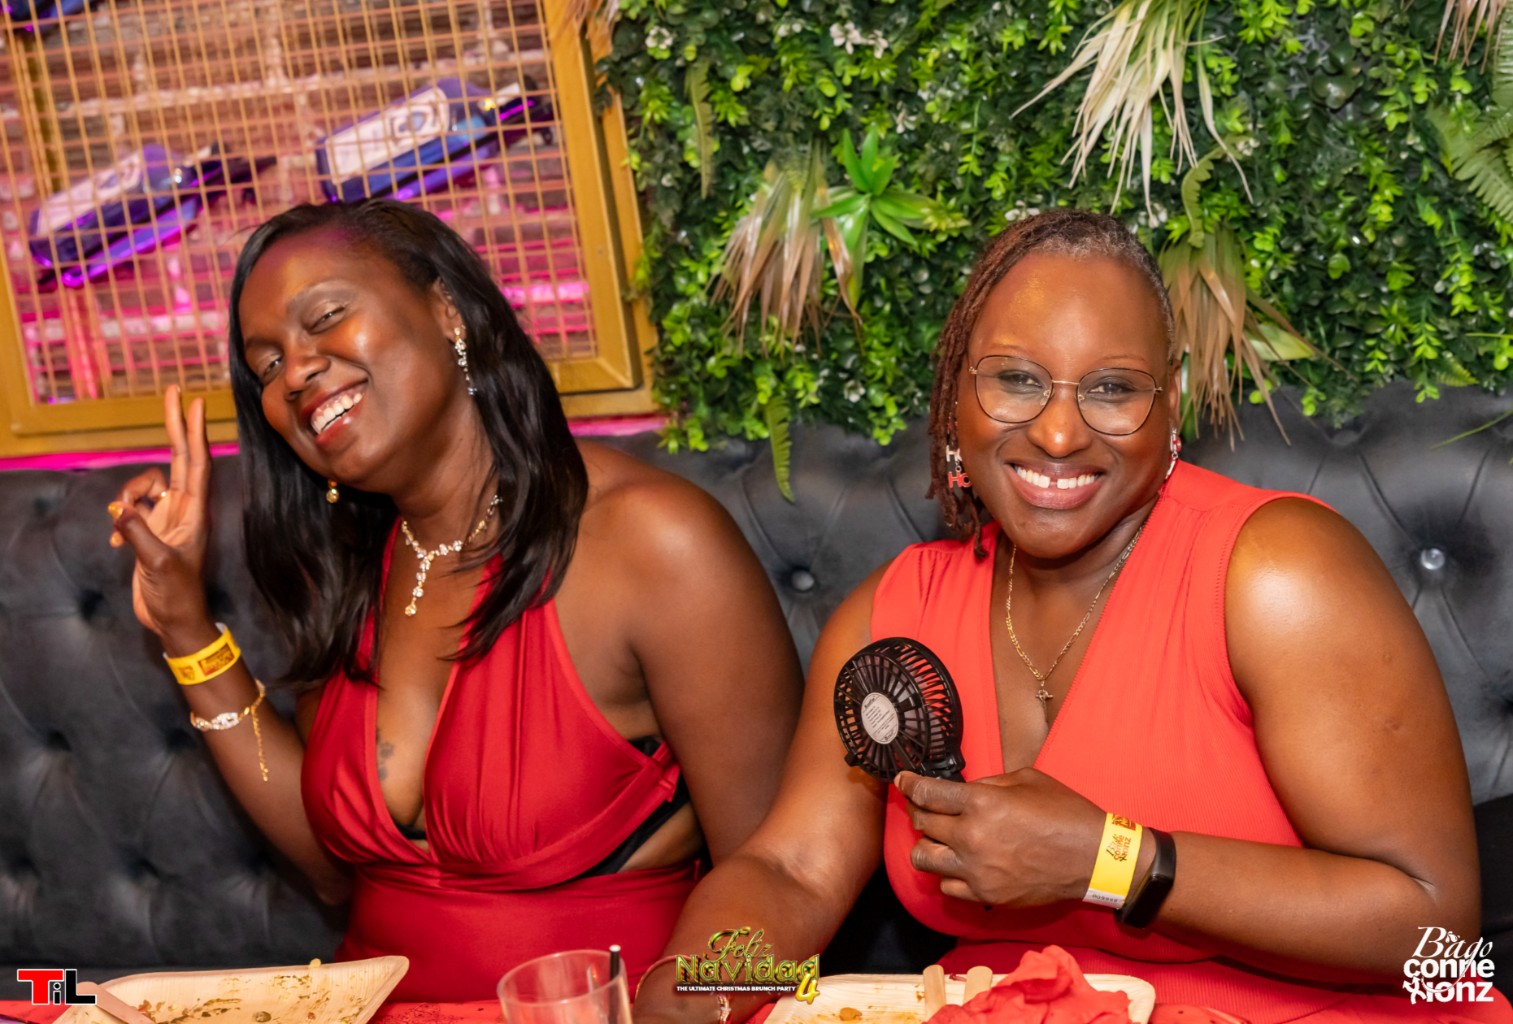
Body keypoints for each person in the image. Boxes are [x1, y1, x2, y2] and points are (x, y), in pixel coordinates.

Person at [634, 209, 1512, 1023]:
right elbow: (789, 870)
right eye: (1015, 381)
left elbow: (1436, 938)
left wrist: (1112, 861)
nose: (1058, 435)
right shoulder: (891, 617)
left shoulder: (1273, 574)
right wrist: (692, 992)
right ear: (954, 398)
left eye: (1112, 389)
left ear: (1168, 403)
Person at [107, 200, 804, 1002]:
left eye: (325, 319)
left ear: (446, 309)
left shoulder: (649, 541)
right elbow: (331, 870)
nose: (293, 374)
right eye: (266, 367)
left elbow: (782, 893)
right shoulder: (348, 567)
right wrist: (185, 626)